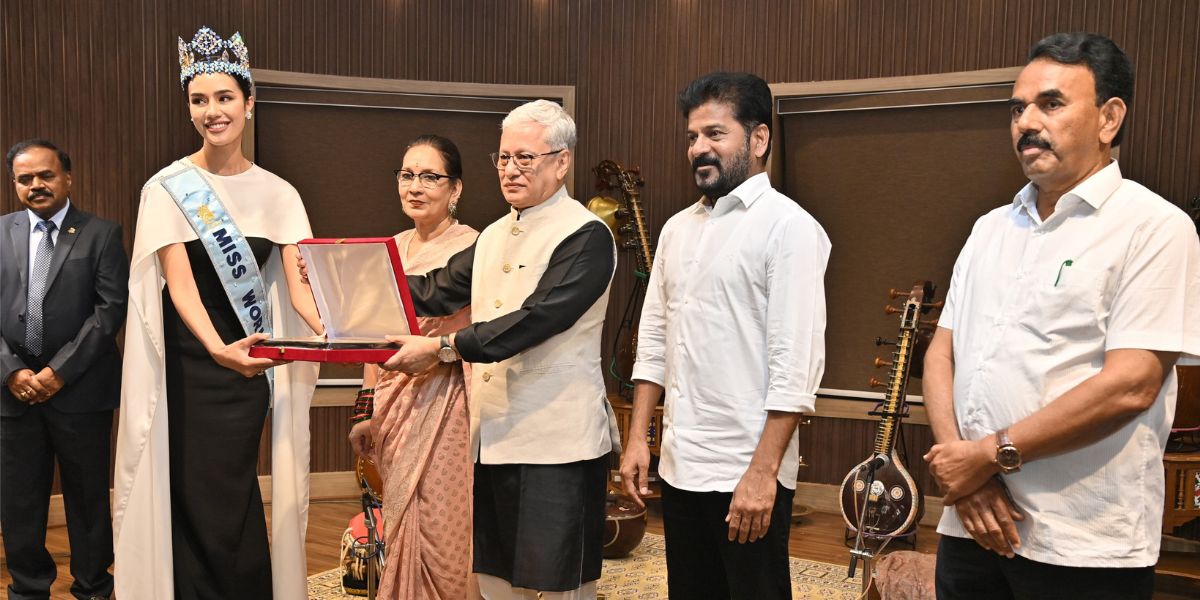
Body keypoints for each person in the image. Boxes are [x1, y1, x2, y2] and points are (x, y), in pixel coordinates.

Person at [922, 32, 1200, 600]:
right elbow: (941, 352)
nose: (1026, 122)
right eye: (1017, 107)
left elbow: (1131, 384)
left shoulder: (1154, 227)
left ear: (1109, 118)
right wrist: (964, 473)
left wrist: (987, 455)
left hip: (1081, 541)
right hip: (971, 523)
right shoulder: (989, 228)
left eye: (1051, 104)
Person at [112, 26, 322, 599]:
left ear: (250, 103)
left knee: (231, 489)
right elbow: (180, 287)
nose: (213, 111)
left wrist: (337, 330)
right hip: (192, 366)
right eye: (199, 100)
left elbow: (302, 288)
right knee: (189, 489)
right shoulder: (169, 188)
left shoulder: (280, 194)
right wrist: (213, 348)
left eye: (225, 97)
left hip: (248, 369)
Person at [380, 99, 619, 600]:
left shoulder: (586, 235)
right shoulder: (493, 234)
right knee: (496, 583)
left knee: (554, 587)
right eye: (504, 158)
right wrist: (351, 278)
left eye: (525, 158)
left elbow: (533, 322)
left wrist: (443, 348)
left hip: (559, 444)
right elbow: (434, 290)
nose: (510, 170)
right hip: (493, 438)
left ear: (562, 161)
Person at [617, 72, 831, 600]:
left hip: (746, 469)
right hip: (682, 462)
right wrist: (640, 437)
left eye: (716, 134)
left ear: (758, 140)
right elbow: (655, 338)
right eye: (692, 137)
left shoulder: (790, 227)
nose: (699, 149)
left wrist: (763, 474)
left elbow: (795, 367)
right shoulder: (676, 228)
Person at [346, 134, 479, 599]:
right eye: (407, 175)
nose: (415, 187)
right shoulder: (388, 249)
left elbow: (475, 337)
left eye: (430, 177)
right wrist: (367, 408)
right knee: (399, 520)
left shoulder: (474, 249)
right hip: (393, 406)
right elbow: (370, 337)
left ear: (455, 189)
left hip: (446, 405)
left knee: (443, 528)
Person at [1, 139, 128, 600]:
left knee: (88, 499)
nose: (36, 185)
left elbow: (109, 311)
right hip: (11, 395)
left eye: (45, 175)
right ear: (15, 184)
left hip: (80, 393)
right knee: (19, 502)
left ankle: (94, 587)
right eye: (25, 178)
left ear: (67, 177)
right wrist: (12, 371)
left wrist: (58, 372)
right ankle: (29, 590)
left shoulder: (101, 234)